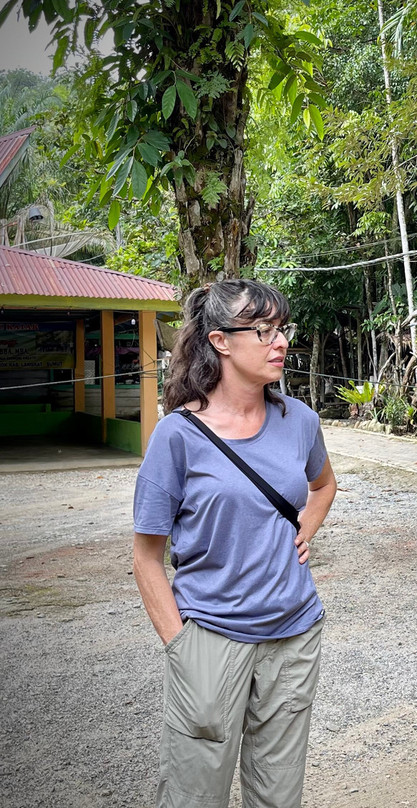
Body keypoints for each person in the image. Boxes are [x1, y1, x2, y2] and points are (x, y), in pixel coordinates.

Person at [133, 279, 337, 808]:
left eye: (282, 329)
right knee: (193, 796)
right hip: (211, 638)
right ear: (221, 341)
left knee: (278, 795)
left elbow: (323, 485)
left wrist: (304, 531)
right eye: (264, 330)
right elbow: (147, 556)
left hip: (294, 634)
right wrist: (180, 647)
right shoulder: (177, 436)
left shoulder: (299, 420)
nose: (281, 341)